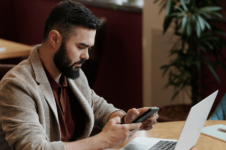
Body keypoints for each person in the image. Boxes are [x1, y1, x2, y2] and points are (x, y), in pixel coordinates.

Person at [0, 1, 158, 150]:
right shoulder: (16, 85)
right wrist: (102, 140)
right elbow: (34, 148)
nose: (86, 56)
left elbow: (97, 107)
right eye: (81, 47)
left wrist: (126, 119)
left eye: (89, 48)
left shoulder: (71, 72)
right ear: (55, 38)